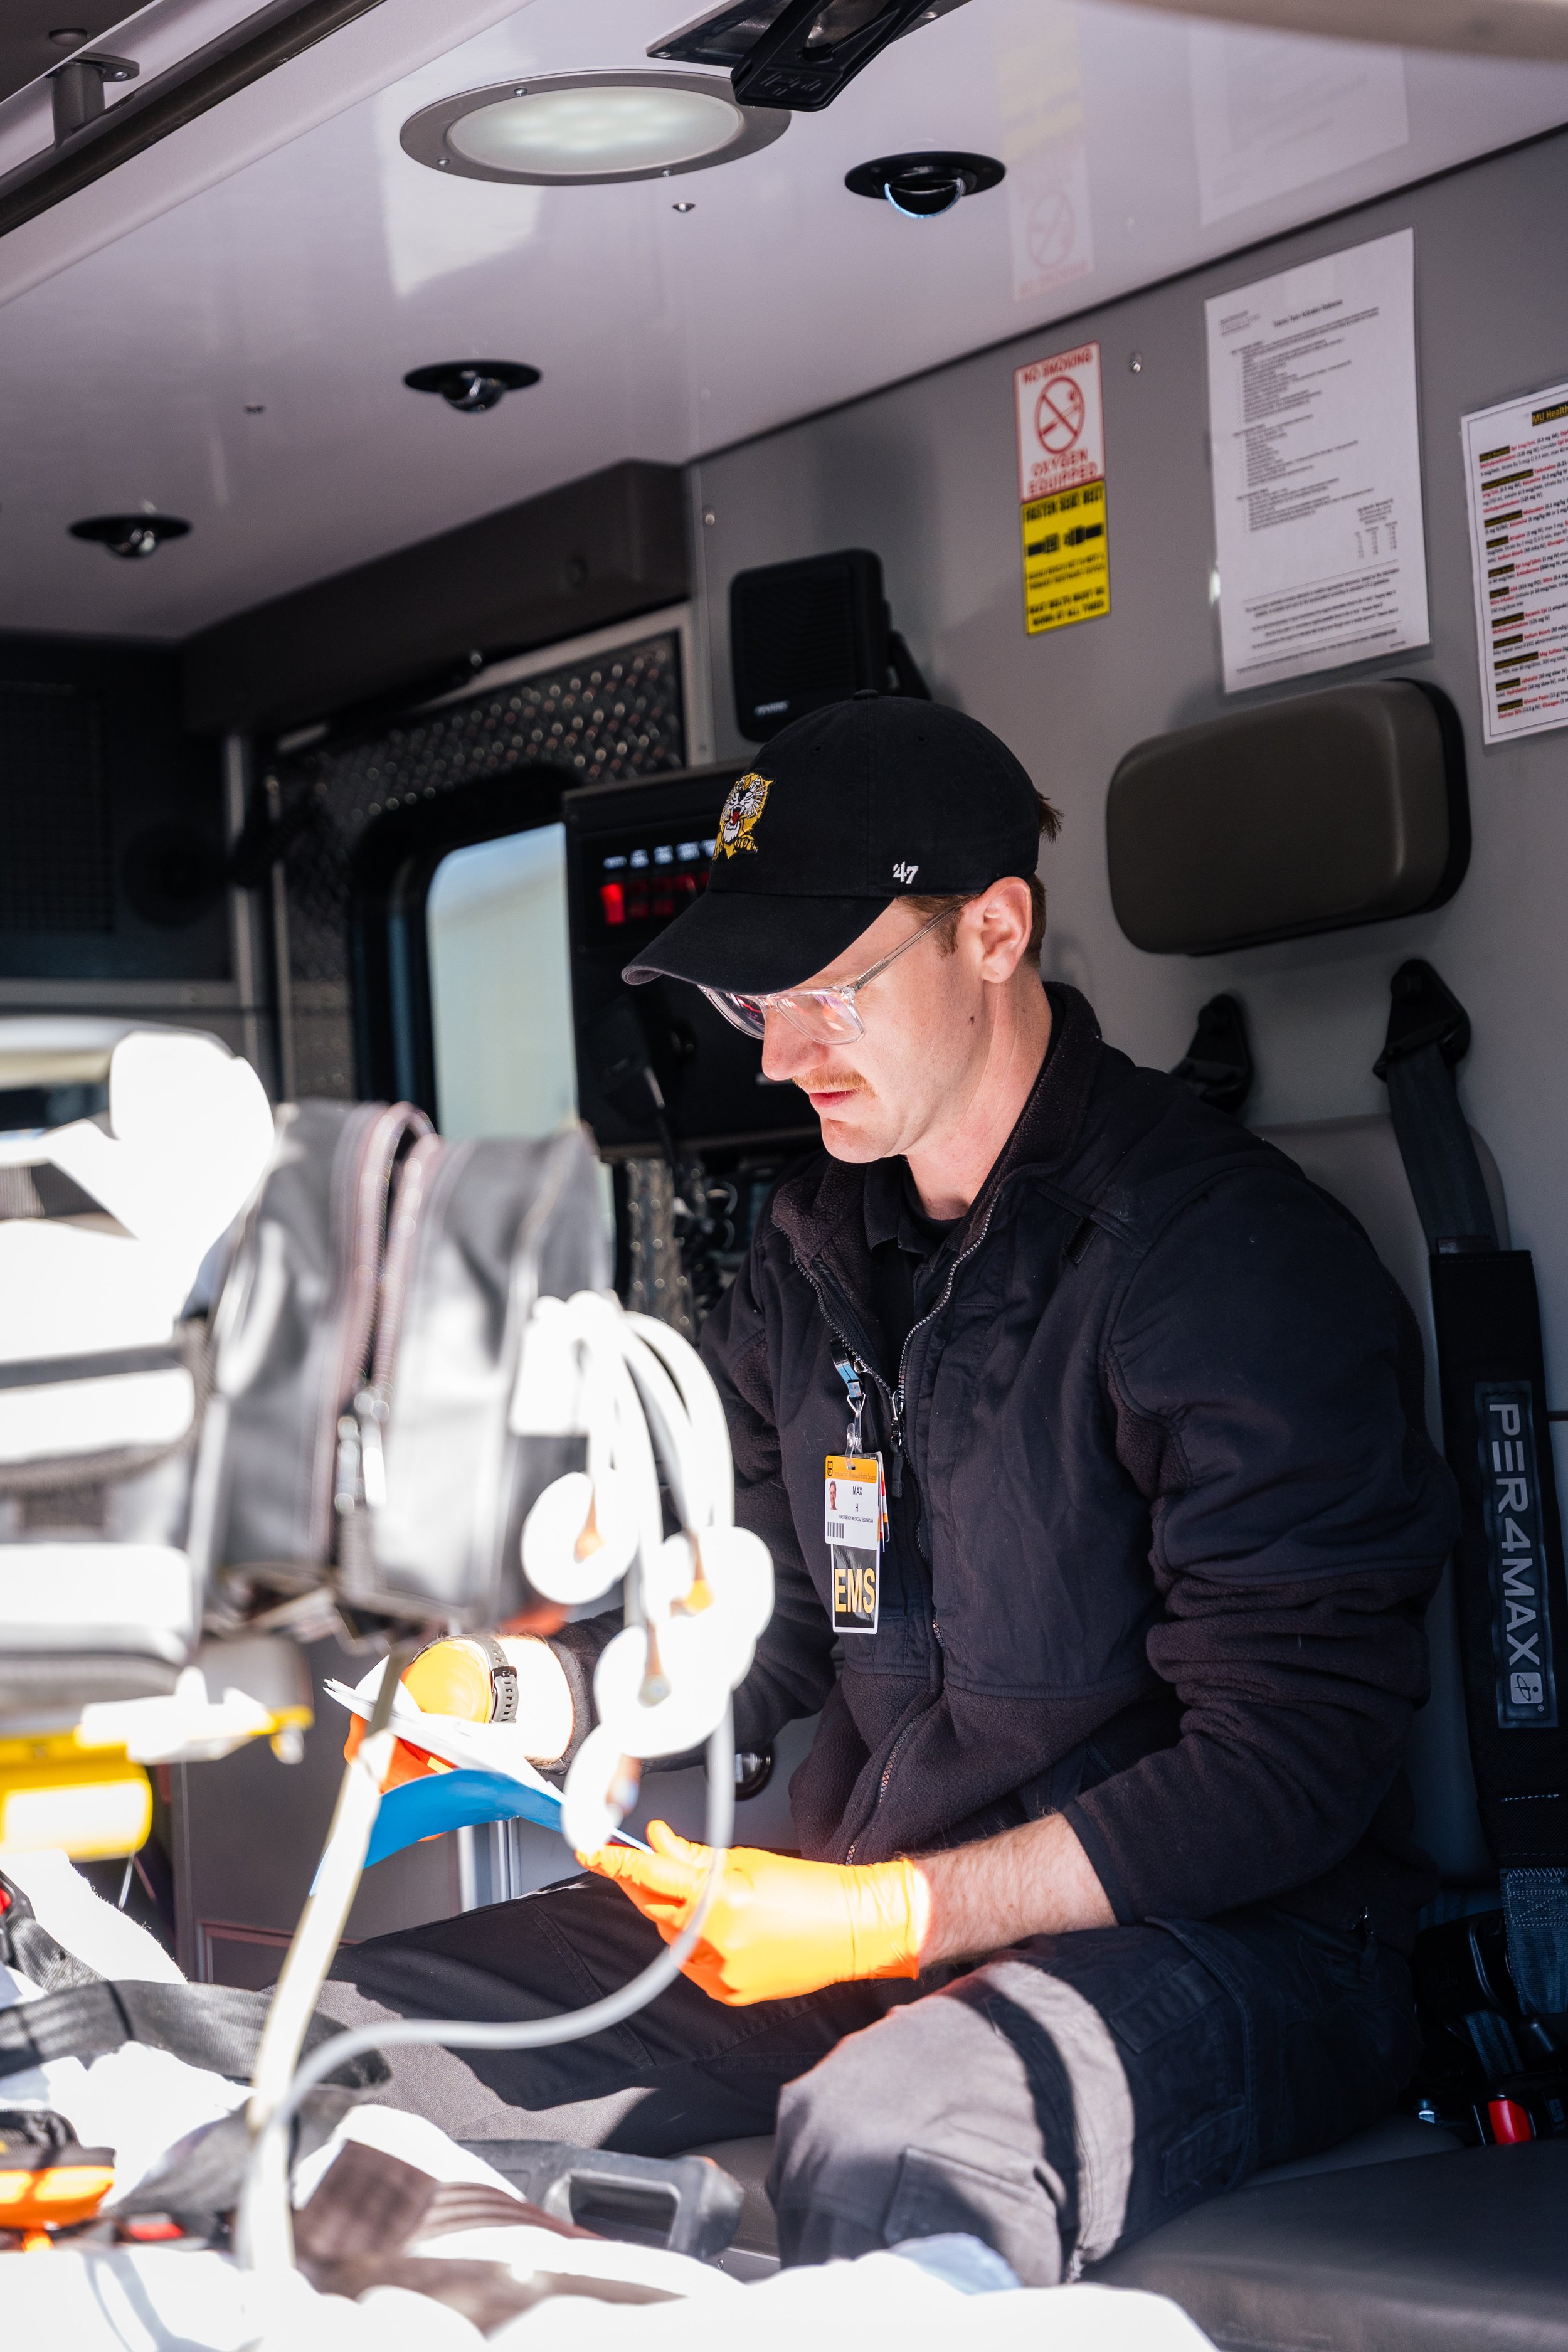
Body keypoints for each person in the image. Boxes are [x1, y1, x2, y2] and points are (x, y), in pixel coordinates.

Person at [319, 692, 1457, 2284]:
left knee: (890, 2143)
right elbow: (759, 1622)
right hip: (872, 1906)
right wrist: (528, 1689)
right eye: (746, 1000)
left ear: (991, 931)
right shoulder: (810, 1253)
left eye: (823, 993)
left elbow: (1291, 1761)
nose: (780, 1055)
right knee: (320, 2054)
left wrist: (887, 1922)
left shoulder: (1213, 1265)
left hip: (1230, 1937)